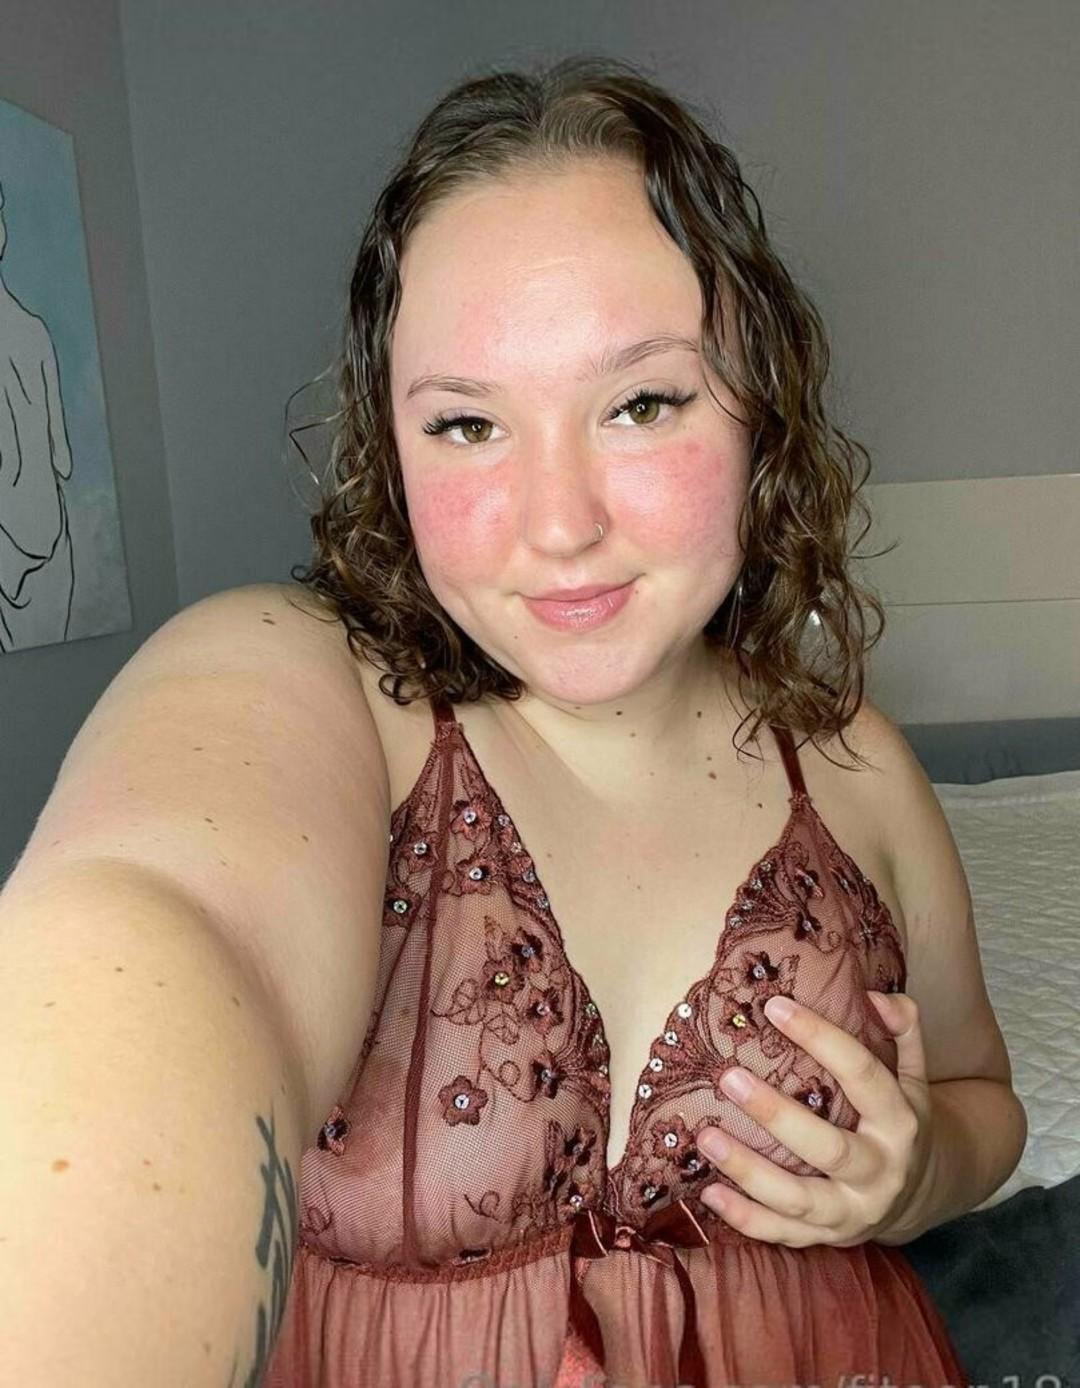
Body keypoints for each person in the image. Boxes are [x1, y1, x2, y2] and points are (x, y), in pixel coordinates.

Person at [1, 54, 1023, 1388]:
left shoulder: (858, 764)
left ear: (759, 407)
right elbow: (144, 941)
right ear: (391, 446)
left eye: (641, 403)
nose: (558, 525)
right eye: (469, 425)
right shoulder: (302, 688)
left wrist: (920, 1173)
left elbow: (984, 1102)